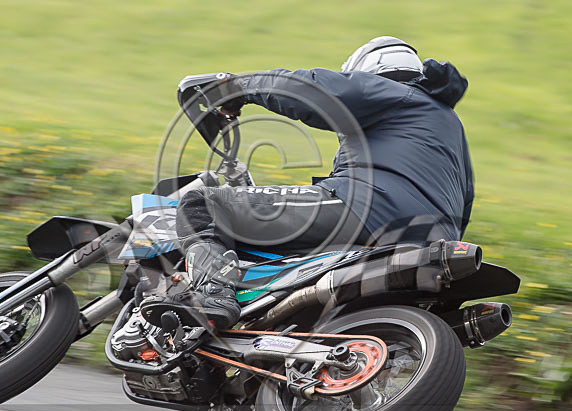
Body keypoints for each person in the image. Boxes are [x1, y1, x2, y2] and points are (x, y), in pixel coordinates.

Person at [140, 36, 473, 330]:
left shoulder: (390, 91)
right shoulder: (450, 126)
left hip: (367, 210)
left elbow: (310, 91)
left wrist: (236, 88)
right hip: (432, 239)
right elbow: (465, 201)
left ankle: (212, 294)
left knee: (206, 204)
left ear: (369, 70)